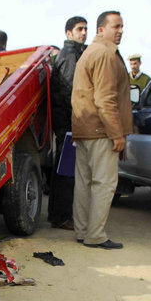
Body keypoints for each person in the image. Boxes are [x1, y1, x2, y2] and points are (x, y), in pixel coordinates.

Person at [71, 10, 131, 249]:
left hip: (85, 128)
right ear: (101, 29)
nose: (121, 31)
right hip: (101, 130)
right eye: (116, 26)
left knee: (84, 184)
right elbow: (105, 99)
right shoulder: (105, 54)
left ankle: (83, 231)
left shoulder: (89, 51)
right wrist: (117, 133)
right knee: (104, 184)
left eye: (122, 26)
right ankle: (95, 235)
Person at [48, 16, 88, 230]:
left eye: (85, 29)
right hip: (70, 125)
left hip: (67, 124)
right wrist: (76, 125)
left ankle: (59, 215)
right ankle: (62, 217)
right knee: (67, 173)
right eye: (80, 29)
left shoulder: (72, 54)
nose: (84, 33)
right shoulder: (71, 56)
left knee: (63, 171)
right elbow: (71, 94)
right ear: (69, 33)